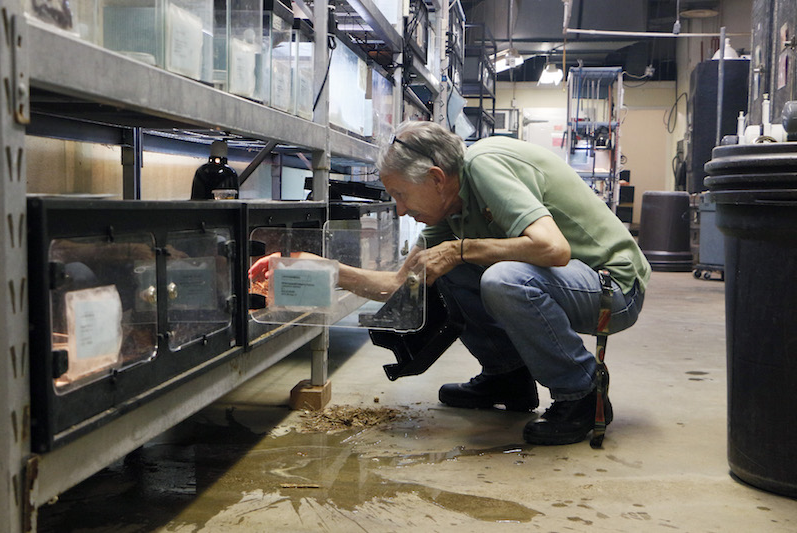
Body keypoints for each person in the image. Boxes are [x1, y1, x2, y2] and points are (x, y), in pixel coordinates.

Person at [249, 120, 651, 446]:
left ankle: (582, 394)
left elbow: (552, 249)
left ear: (437, 177)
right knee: (446, 266)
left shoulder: (486, 164)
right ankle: (507, 378)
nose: (401, 209)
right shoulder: (447, 215)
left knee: (500, 276)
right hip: (571, 285)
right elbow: (400, 284)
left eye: (401, 195)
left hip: (613, 288)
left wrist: (461, 250)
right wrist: (322, 267)